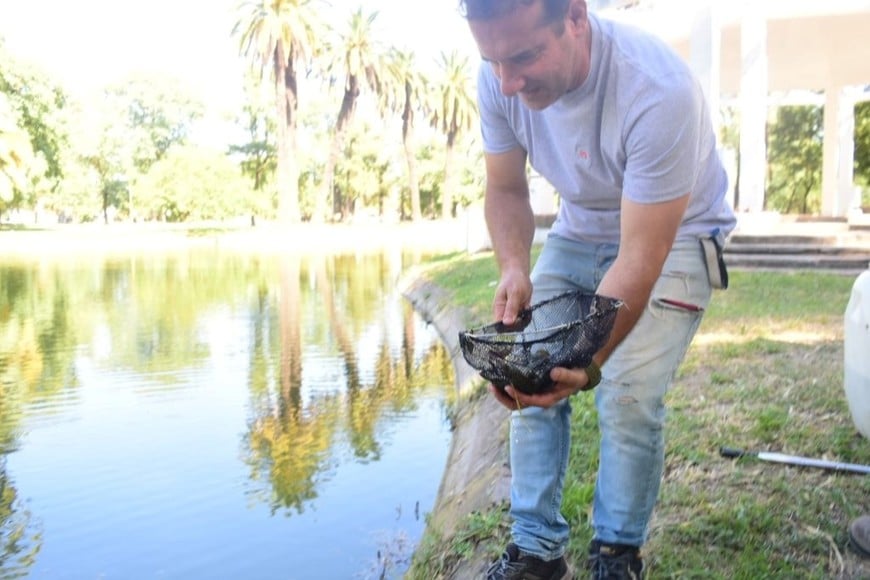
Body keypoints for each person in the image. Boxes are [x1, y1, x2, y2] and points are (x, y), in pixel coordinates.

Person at [458, 0, 737, 578]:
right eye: (494, 61)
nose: (508, 81)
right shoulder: (498, 78)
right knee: (526, 368)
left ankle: (617, 551)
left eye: (525, 56)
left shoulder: (657, 89)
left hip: (677, 232)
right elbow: (505, 188)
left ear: (577, 17)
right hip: (581, 224)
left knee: (628, 393)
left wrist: (590, 358)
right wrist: (513, 266)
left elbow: (643, 252)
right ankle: (536, 552)